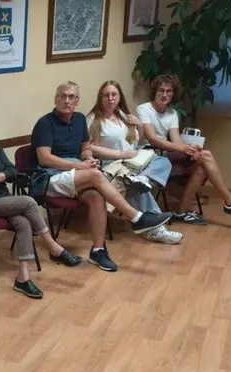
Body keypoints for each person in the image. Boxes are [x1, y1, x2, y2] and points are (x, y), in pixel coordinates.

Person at [31, 81, 173, 272]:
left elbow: (85, 149)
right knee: (96, 175)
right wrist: (80, 165)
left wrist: (88, 159)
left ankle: (98, 251)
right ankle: (137, 218)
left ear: (77, 101)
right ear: (55, 99)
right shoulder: (45, 123)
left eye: (71, 97)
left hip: (76, 174)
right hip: (50, 177)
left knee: (97, 196)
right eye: (62, 96)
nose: (67, 101)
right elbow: (45, 158)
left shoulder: (79, 119)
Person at [0, 108, 82, 298]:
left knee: (24, 222)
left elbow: (13, 171)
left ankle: (23, 278)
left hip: (3, 198)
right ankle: (53, 246)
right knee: (28, 202)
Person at [136, 74, 231, 223]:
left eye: (169, 91)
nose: (165, 94)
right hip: (151, 156)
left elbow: (176, 139)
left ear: (173, 94)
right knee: (205, 156)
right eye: (161, 90)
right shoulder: (144, 109)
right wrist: (184, 149)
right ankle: (230, 201)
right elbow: (153, 139)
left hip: (166, 153)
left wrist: (190, 149)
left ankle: (182, 212)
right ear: (154, 91)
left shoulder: (172, 113)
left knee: (201, 164)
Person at [86, 80, 183, 245]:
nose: (110, 98)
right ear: (100, 97)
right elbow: (89, 147)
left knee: (163, 161)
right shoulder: (93, 119)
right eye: (106, 95)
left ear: (119, 97)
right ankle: (157, 231)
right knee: (136, 189)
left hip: (134, 160)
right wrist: (120, 154)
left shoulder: (124, 115)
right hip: (113, 164)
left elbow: (136, 141)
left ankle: (141, 179)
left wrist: (139, 126)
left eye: (114, 94)